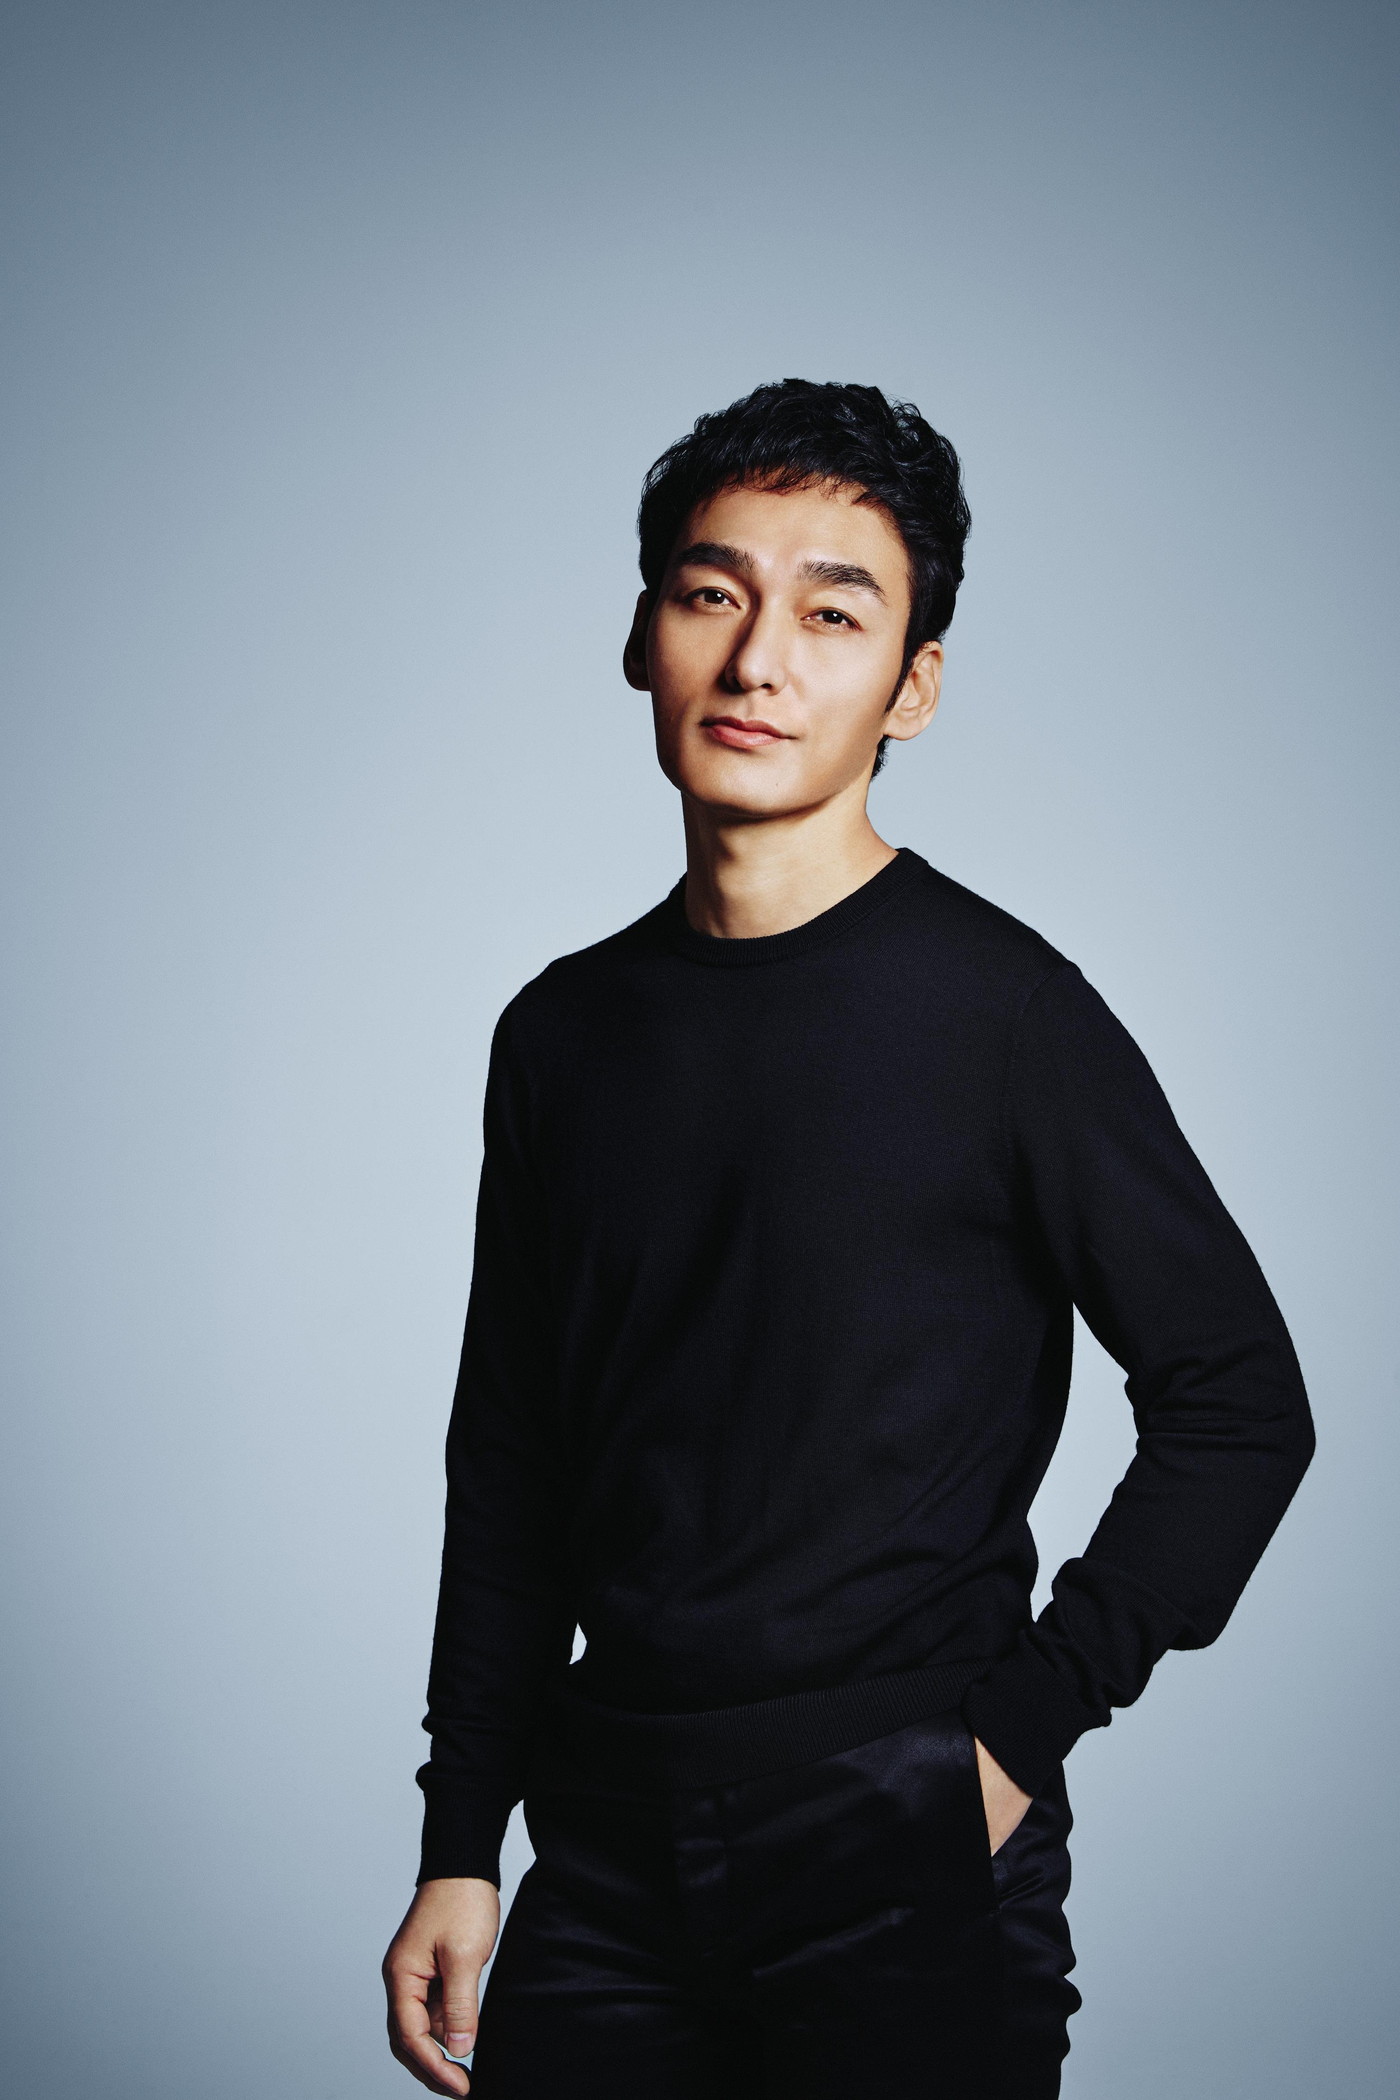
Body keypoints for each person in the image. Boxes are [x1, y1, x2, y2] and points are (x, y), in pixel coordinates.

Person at [382, 379, 1314, 2098]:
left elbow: (1244, 1403)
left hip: (901, 1840)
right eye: (711, 594)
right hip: (606, 1854)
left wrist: (1015, 1737)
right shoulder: (560, 1036)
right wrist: (461, 1840)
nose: (758, 662)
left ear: (914, 687)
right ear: (643, 637)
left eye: (832, 614)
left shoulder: (1005, 1016)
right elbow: (511, 1460)